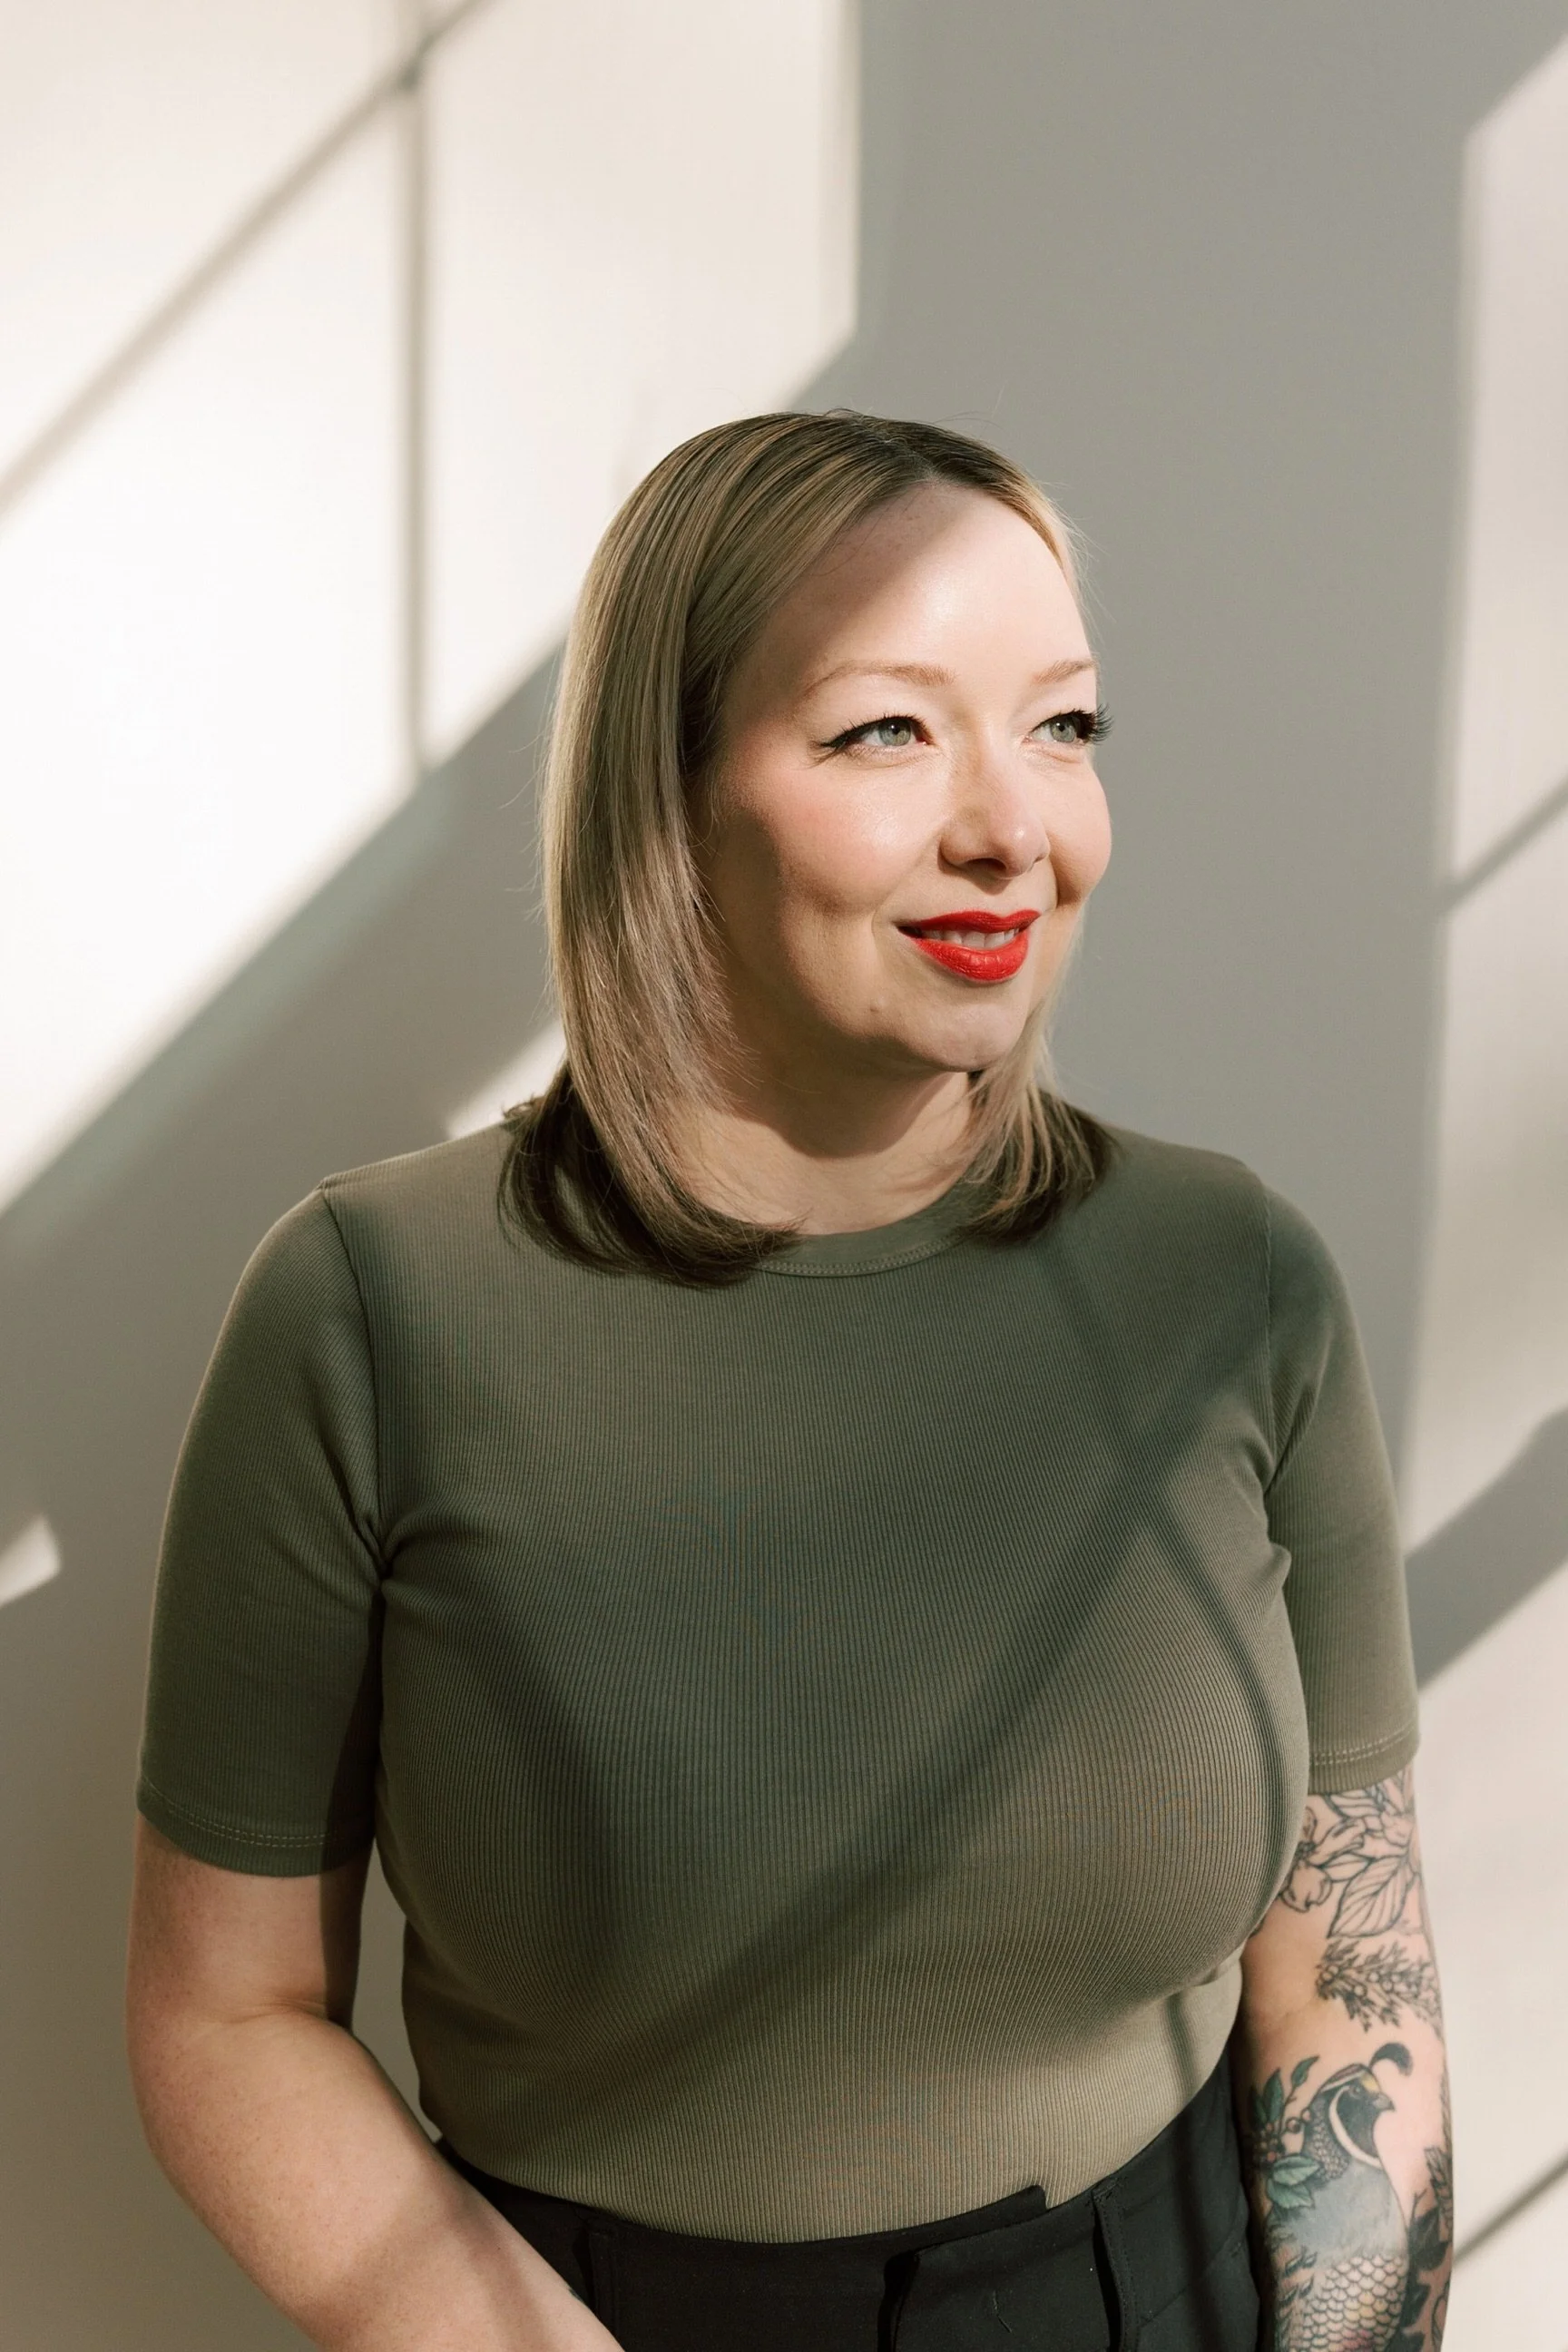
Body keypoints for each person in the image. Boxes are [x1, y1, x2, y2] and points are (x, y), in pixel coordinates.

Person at [127, 411, 1451, 2352]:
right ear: (667, 794)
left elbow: (1347, 1971)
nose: (1014, 827)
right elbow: (226, 2012)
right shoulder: (369, 1311)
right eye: (887, 731)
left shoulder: (1236, 1280)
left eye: (1064, 725)